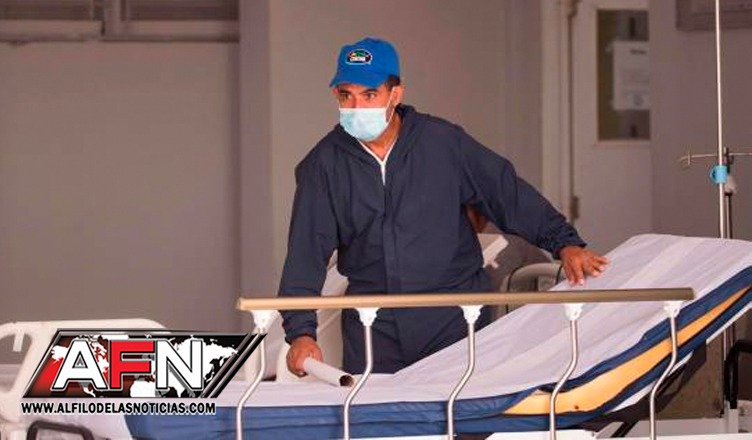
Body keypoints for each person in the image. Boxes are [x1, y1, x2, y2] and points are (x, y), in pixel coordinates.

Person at [279, 37, 608, 376]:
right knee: (377, 411)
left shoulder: (443, 143)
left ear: (395, 94)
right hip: (373, 326)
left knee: (461, 407)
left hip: (452, 316)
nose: (357, 107)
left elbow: (507, 194)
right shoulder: (324, 165)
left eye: (369, 95)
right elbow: (306, 252)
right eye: (346, 95)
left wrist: (565, 243)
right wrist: (301, 333)